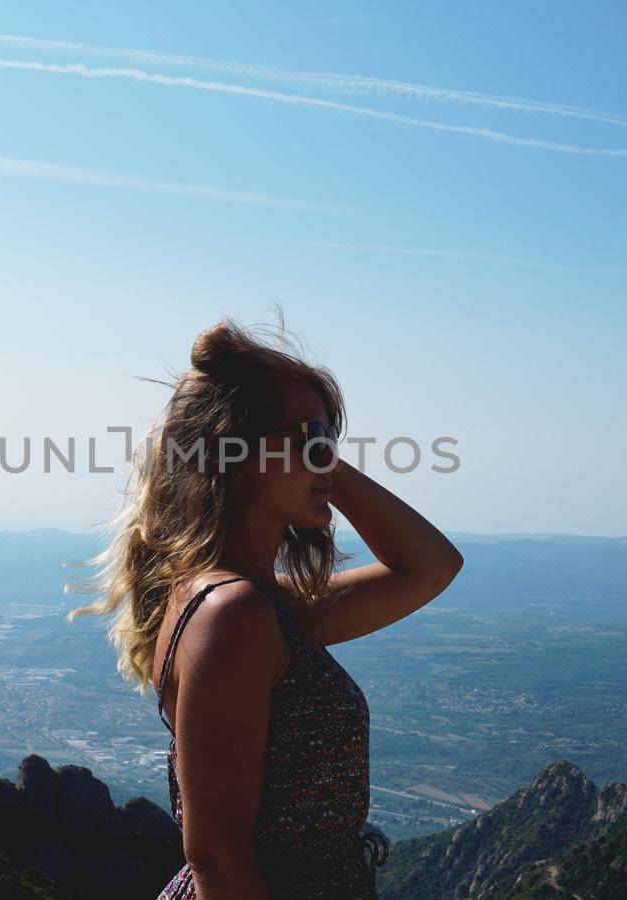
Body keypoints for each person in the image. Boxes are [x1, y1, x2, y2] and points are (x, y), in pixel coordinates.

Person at [68, 315, 463, 898]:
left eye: (332, 442)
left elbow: (429, 569)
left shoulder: (263, 609)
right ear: (235, 453)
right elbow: (217, 860)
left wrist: (313, 447)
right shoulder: (235, 616)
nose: (327, 460)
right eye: (310, 442)